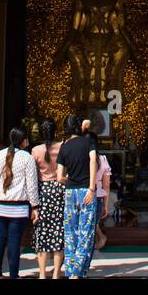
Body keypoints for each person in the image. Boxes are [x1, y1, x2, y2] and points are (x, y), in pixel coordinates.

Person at [0, 127, 40, 278]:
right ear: (23, 141)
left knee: (0, 237)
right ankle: (13, 275)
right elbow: (31, 185)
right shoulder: (27, 157)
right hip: (18, 205)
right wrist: (35, 205)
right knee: (14, 241)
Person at [57, 114, 98, 278]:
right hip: (86, 190)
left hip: (70, 191)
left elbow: (59, 176)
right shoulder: (88, 141)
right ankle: (76, 272)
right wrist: (91, 187)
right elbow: (93, 160)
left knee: (70, 232)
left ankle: (73, 271)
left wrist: (71, 180)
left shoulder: (64, 146)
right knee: (85, 232)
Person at [30, 118, 65, 278]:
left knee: (42, 233)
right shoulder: (62, 147)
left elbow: (32, 175)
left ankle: (43, 274)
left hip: (43, 191)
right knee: (58, 233)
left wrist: (33, 204)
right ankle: (57, 273)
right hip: (59, 190)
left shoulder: (36, 150)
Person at [88, 130, 112, 250]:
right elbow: (106, 184)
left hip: (84, 193)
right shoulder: (102, 159)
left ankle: (99, 238)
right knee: (92, 222)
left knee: (88, 222)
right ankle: (100, 238)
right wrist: (106, 205)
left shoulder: (82, 158)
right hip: (98, 195)